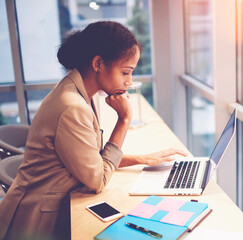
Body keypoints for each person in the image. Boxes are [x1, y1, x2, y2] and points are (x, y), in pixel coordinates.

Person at [0, 21, 187, 240]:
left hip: (50, 206)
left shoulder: (81, 92)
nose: (129, 81)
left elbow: (91, 157)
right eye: (125, 72)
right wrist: (124, 120)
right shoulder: (72, 107)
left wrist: (143, 159)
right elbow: (97, 179)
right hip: (37, 222)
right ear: (98, 63)